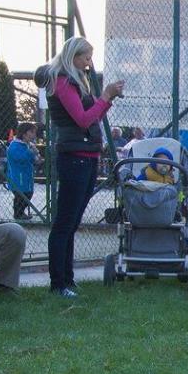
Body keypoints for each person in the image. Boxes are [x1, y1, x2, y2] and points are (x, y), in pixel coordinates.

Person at [34, 35, 125, 297]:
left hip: (87, 155)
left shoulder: (74, 81)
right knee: (65, 222)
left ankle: (67, 279)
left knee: (72, 222)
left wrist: (107, 99)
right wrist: (105, 96)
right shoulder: (63, 82)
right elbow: (83, 119)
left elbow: (92, 116)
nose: (88, 63)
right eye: (86, 58)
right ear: (72, 56)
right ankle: (58, 283)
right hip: (74, 157)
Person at [6, 122, 41, 220]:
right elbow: (20, 158)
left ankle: (20, 213)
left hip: (26, 176)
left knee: (28, 194)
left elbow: (31, 159)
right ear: (24, 134)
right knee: (21, 196)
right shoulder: (15, 145)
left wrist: (36, 157)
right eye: (32, 132)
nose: (34, 135)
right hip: (18, 177)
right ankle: (18, 214)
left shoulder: (27, 145)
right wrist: (31, 152)